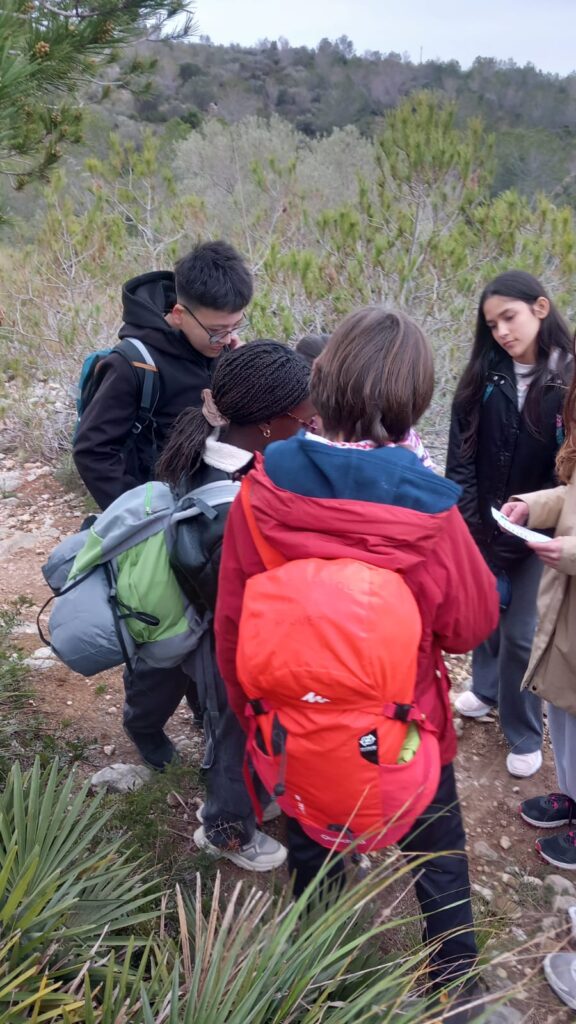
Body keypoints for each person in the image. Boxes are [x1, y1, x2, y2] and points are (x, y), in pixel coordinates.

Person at [215, 306, 498, 1009]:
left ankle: (320, 978)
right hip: (401, 723)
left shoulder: (261, 492)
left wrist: (257, 723)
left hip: (295, 724)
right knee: (436, 847)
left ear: (322, 384)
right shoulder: (431, 512)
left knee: (312, 843)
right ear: (416, 401)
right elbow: (469, 625)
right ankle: (457, 985)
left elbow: (233, 627)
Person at [73, 240, 254, 770]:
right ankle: (145, 723)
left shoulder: (220, 354)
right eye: (216, 330)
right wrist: (140, 518)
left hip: (208, 522)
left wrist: (234, 363)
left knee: (210, 629)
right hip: (155, 531)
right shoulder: (133, 365)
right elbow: (93, 449)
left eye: (234, 327)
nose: (225, 338)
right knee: (162, 637)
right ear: (178, 313)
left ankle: (202, 708)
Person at [157, 340, 315, 871]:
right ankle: (226, 829)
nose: (308, 427)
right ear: (268, 423)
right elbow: (244, 598)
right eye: (303, 419)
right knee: (235, 734)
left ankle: (250, 795)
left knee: (238, 730)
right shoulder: (235, 502)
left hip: (216, 626)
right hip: (230, 644)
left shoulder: (209, 447)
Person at [446, 270, 573, 779]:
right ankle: (485, 688)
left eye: (509, 317)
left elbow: (566, 472)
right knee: (484, 613)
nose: (501, 331)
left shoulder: (567, 380)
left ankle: (522, 730)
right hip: (482, 522)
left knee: (521, 634)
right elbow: (461, 459)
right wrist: (470, 525)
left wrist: (542, 522)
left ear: (540, 309)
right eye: (492, 323)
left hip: (539, 533)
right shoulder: (482, 376)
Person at [500, 359, 576, 868]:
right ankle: (571, 796)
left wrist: (570, 551)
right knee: (564, 709)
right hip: (567, 609)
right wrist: (533, 505)